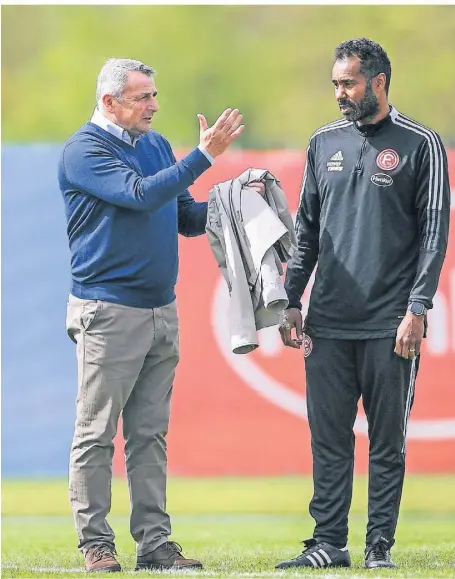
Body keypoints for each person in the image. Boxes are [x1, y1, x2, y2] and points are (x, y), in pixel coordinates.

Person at [58, 57, 264, 573]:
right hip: (107, 309)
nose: (153, 105)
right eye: (142, 96)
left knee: (149, 435)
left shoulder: (152, 144)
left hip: (159, 309)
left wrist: (233, 200)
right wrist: (204, 156)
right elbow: (139, 194)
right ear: (110, 102)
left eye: (154, 95)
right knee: (97, 432)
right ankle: (96, 544)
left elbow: (183, 216)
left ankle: (154, 544)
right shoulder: (85, 150)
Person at [277, 38, 450, 570]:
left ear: (378, 81)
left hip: (389, 324)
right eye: (335, 84)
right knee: (328, 442)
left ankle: (379, 547)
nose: (340, 93)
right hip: (327, 323)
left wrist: (417, 308)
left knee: (386, 443)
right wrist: (290, 301)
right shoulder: (322, 142)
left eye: (348, 83)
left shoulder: (421, 143)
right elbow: (305, 230)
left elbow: (434, 234)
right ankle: (329, 543)